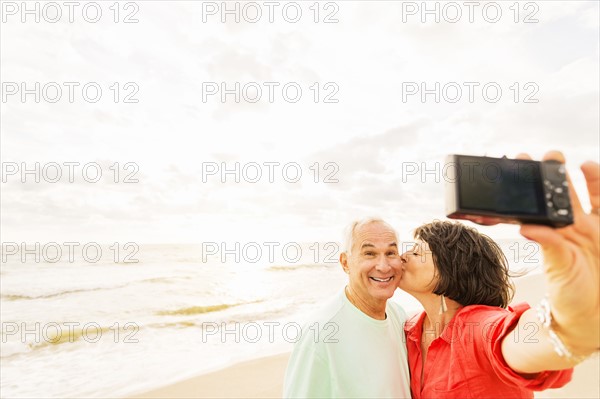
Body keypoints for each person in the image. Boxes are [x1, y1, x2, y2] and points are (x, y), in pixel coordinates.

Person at [398, 151, 599, 398]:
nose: (402, 256)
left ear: (452, 266)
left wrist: (569, 328)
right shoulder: (406, 329)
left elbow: (523, 341)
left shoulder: (478, 326)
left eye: (417, 253)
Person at [283, 218, 411, 398]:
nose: (383, 266)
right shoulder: (320, 333)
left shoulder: (398, 315)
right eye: (369, 254)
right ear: (345, 263)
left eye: (390, 252)